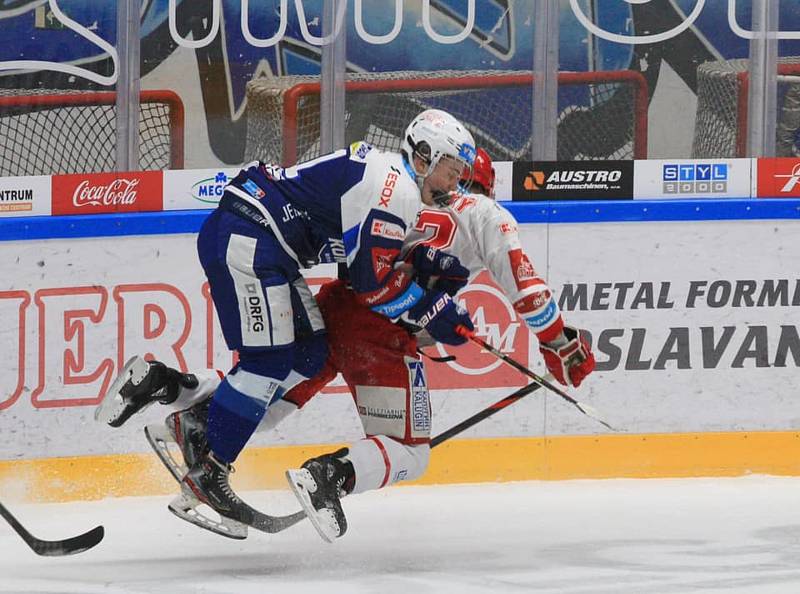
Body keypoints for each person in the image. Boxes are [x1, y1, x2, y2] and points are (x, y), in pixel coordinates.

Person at [96, 109, 478, 538]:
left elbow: (356, 273)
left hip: (264, 242)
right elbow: (371, 287)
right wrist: (430, 310)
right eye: (450, 170)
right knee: (269, 362)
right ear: (423, 158)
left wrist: (420, 278)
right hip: (251, 239)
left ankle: (172, 393)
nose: (454, 184)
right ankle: (208, 473)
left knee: (310, 354)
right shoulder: (398, 191)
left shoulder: (391, 182)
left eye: (460, 174)